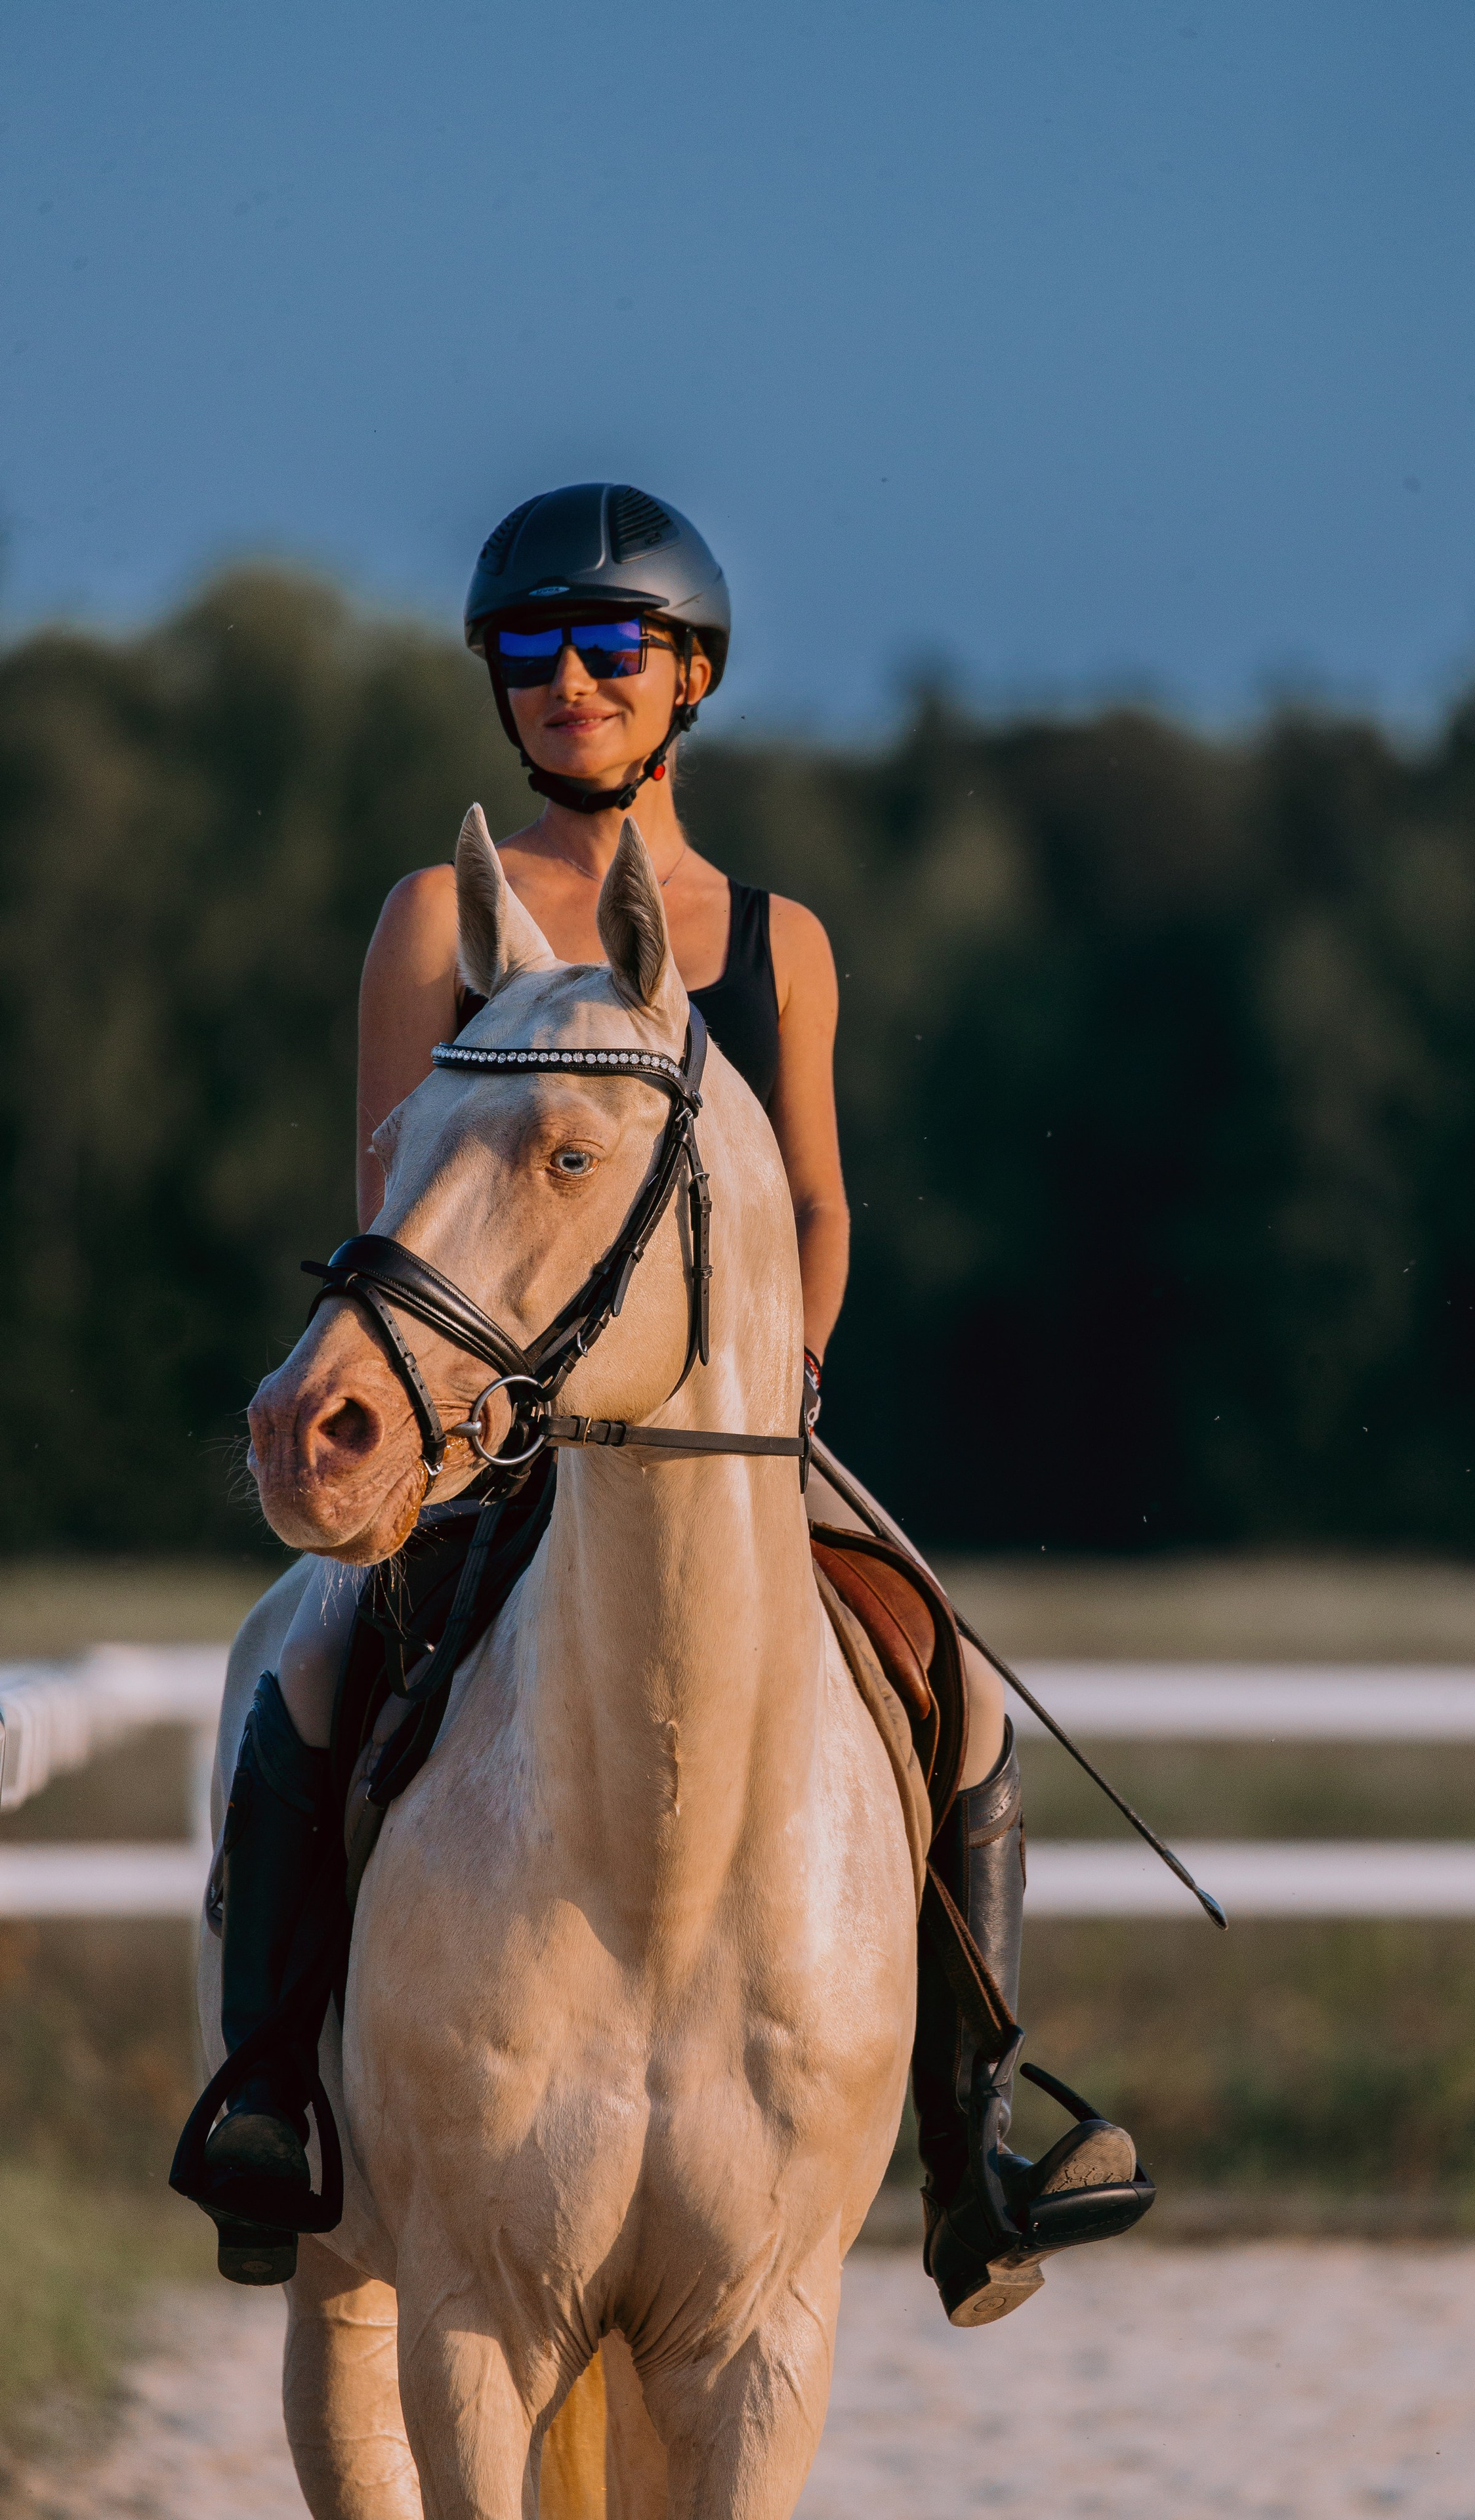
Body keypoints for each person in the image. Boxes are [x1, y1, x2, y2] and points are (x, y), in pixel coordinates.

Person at [202, 482, 1140, 2326]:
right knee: (308, 1660)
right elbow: (399, 1180)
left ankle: (972, 2149)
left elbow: (821, 1205)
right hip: (492, 1429)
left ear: (689, 674)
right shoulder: (439, 918)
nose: (570, 680)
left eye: (610, 645)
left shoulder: (777, 939)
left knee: (954, 1686)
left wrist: (788, 1372)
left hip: (725, 1431)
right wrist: (471, 1395)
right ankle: (269, 2094)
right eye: (531, 650)